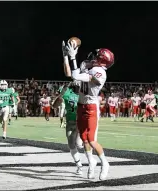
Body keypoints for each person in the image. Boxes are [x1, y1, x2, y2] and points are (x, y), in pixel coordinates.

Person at [64, 40, 114, 180]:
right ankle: (91, 162)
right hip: (81, 105)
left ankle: (105, 163)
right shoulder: (88, 64)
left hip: (91, 107)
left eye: (97, 55)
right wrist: (67, 57)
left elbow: (76, 76)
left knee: (91, 140)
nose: (93, 56)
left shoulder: (100, 73)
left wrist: (73, 57)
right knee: (84, 138)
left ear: (101, 60)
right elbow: (71, 74)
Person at [53, 81, 85, 176]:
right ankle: (79, 165)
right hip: (71, 122)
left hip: (81, 122)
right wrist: (62, 94)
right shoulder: (68, 93)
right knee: (71, 145)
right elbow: (54, 105)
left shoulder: (84, 94)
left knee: (80, 144)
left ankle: (91, 162)